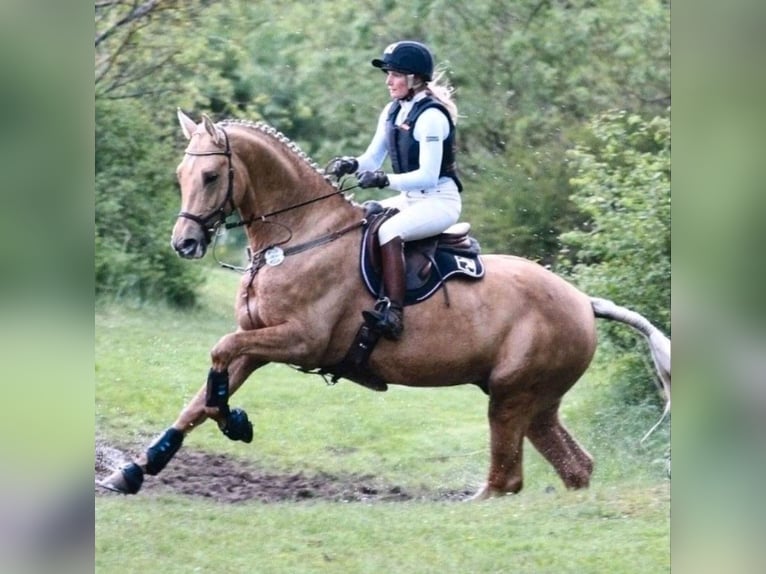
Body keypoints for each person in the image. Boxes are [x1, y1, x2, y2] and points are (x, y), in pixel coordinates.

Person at [327, 40, 463, 341]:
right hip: (411, 199)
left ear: (415, 78)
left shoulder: (431, 117)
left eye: (396, 75)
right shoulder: (392, 111)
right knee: (365, 216)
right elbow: (371, 160)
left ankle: (393, 312)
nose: (388, 81)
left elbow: (428, 176)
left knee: (390, 232)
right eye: (388, 74)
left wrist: (383, 180)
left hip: (439, 201)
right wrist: (351, 164)